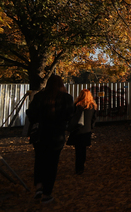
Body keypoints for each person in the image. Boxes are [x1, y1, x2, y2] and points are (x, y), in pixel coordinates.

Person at [26, 75, 74, 204]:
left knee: (40, 160)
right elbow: (70, 115)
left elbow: (31, 114)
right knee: (52, 164)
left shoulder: (39, 97)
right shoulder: (66, 98)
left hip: (40, 134)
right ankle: (47, 194)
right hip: (56, 135)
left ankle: (39, 187)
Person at [67, 89, 97, 174]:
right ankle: (81, 166)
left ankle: (78, 167)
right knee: (83, 149)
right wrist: (91, 127)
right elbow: (94, 119)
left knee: (78, 149)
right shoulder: (92, 106)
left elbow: (71, 117)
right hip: (86, 130)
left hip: (77, 130)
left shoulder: (77, 105)